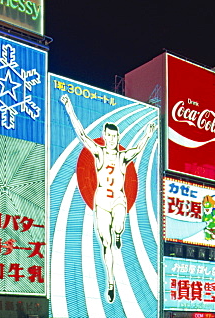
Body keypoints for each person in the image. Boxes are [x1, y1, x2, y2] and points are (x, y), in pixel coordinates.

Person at [60, 94, 156, 303]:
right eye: (109, 136)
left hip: (118, 200)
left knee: (119, 225)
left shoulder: (122, 156)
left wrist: (148, 135)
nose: (112, 140)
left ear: (118, 137)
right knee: (106, 242)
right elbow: (82, 135)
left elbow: (138, 150)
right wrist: (69, 108)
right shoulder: (99, 153)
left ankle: (119, 232)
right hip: (101, 201)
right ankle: (111, 283)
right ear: (104, 136)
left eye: (115, 137)